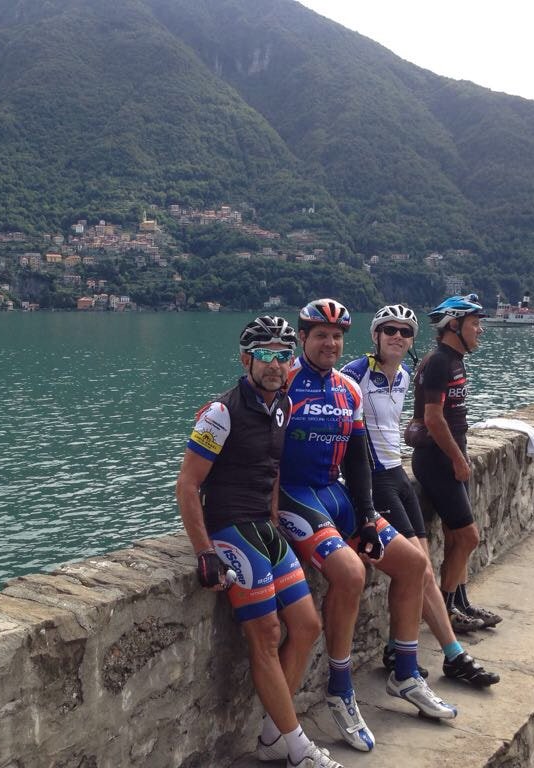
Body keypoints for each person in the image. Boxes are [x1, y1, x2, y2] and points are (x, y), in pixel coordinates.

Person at [277, 298, 457, 755]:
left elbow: (357, 458)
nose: (330, 343)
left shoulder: (347, 389)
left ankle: (405, 673)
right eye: (320, 335)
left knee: (414, 563)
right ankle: (340, 688)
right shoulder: (283, 384)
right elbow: (262, 453)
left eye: (337, 336)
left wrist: (366, 516)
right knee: (352, 574)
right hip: (293, 497)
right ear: (303, 339)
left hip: (335, 494)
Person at [175, 316, 343, 768]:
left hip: (264, 530)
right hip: (229, 529)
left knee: (307, 626)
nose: (276, 363)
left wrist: (273, 517)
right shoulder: (220, 413)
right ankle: (298, 747)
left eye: (284, 355)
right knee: (267, 635)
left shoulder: (282, 405)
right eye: (266, 354)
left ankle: (273, 735)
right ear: (246, 358)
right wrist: (204, 551)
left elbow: (272, 470)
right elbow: (188, 485)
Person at [342, 304, 499, 687]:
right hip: (374, 481)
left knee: (421, 568)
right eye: (390, 329)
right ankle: (453, 656)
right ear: (375, 335)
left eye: (406, 332)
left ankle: (398, 649)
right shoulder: (353, 375)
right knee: (421, 569)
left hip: (399, 474)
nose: (398, 336)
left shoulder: (405, 376)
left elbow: (412, 421)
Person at [405, 294, 503, 635]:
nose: (480, 330)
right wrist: (458, 460)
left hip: (447, 458)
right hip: (437, 461)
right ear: (453, 326)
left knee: (454, 535)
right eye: (474, 324)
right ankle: (446, 611)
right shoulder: (439, 363)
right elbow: (433, 419)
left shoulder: (455, 361)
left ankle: (460, 601)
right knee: (469, 537)